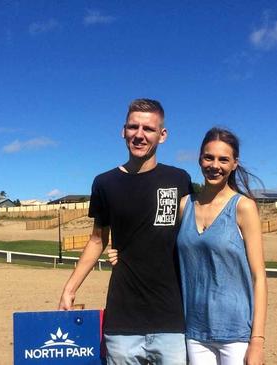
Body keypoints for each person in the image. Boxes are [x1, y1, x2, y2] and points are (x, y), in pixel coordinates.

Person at [110, 127, 267, 365]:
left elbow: (259, 277)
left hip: (236, 332)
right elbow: (154, 238)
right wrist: (121, 252)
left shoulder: (243, 207)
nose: (215, 165)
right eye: (209, 157)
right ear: (200, 159)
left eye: (223, 159)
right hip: (194, 331)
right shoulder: (185, 205)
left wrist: (257, 340)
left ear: (234, 164)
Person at [59, 98, 192, 364]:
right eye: (133, 127)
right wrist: (70, 289)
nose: (139, 135)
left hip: (171, 320)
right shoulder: (105, 183)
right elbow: (97, 240)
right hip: (122, 323)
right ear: (123, 131)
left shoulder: (179, 179)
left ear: (162, 135)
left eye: (148, 129)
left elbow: (193, 234)